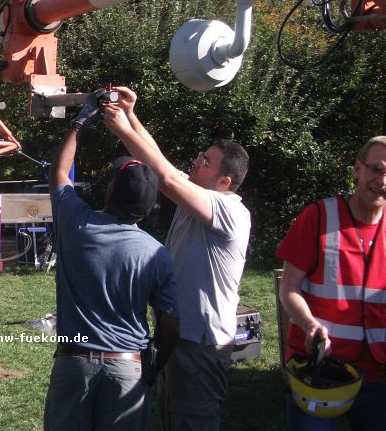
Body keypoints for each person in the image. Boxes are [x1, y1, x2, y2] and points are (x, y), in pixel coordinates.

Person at [102, 87, 250, 431]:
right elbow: (161, 163)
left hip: (202, 343)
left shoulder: (228, 210)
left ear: (224, 181)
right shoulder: (200, 194)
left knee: (193, 423)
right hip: (179, 337)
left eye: (206, 162)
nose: (197, 161)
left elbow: (165, 178)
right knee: (171, 419)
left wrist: (122, 128)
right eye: (202, 155)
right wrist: (131, 114)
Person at [44, 89, 180, 431]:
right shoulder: (157, 253)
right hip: (127, 370)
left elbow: (60, 172)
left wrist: (80, 122)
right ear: (150, 209)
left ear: (109, 191)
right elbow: (170, 323)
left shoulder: (78, 224)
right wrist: (154, 364)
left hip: (73, 366)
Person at [276, 136, 386, 430]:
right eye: (377, 169)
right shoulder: (319, 216)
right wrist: (309, 324)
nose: (383, 181)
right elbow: (289, 287)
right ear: (357, 169)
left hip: (379, 375)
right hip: (320, 368)